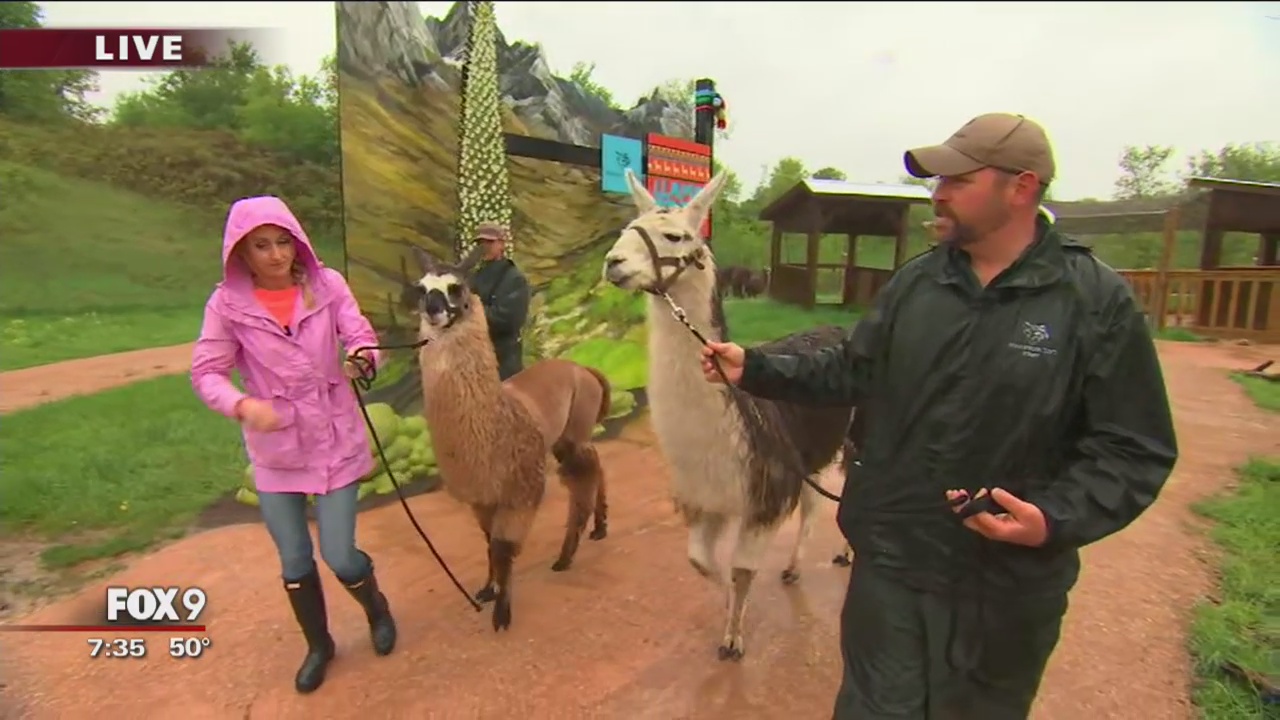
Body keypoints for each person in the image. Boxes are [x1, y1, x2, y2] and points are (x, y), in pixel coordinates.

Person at [698, 113, 1178, 720]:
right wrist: (757, 369)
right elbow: (854, 369)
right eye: (935, 180)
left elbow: (1135, 446)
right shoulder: (916, 284)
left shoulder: (1094, 302)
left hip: (1005, 588)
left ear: (1021, 188)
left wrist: (1055, 519)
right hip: (893, 563)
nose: (938, 193)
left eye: (957, 180)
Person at [190, 196, 398, 695]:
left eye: (284, 242)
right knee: (294, 560)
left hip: (335, 439)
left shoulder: (328, 286)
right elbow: (207, 372)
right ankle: (320, 645)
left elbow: (361, 335)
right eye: (262, 246)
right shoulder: (227, 305)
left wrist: (364, 358)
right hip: (277, 450)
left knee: (340, 554)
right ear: (240, 252)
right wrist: (242, 406)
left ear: (298, 242)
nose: (277, 255)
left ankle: (377, 608)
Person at [468, 221, 531, 380]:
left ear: (501, 244)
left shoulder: (514, 279)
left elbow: (509, 320)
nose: (485, 247)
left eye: (490, 242)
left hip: (505, 363)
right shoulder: (474, 277)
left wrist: (472, 311)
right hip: (477, 361)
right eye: (480, 243)